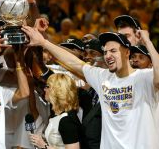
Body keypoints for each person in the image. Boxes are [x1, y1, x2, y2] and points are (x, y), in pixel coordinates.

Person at [22, 24, 159, 149]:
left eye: (113, 51)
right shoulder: (104, 77)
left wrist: (147, 42)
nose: (108, 56)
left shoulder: (144, 77)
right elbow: (75, 63)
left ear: (127, 52)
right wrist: (43, 42)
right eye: (105, 52)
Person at [29, 73, 81, 149]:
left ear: (57, 90)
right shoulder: (59, 115)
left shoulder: (67, 120)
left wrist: (44, 145)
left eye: (47, 86)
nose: (44, 89)